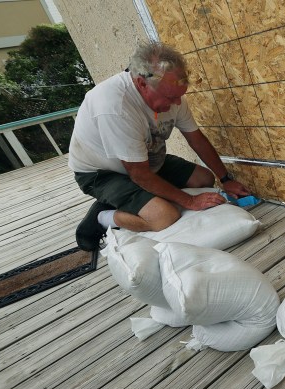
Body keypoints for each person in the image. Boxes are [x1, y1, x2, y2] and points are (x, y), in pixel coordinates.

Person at [68, 42, 250, 251]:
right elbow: (139, 175)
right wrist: (190, 202)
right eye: (171, 97)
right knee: (164, 216)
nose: (177, 104)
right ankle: (103, 216)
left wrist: (225, 179)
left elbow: (196, 139)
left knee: (204, 178)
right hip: (102, 173)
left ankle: (132, 201)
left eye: (180, 95)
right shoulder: (114, 106)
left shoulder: (171, 93)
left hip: (146, 160)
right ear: (142, 83)